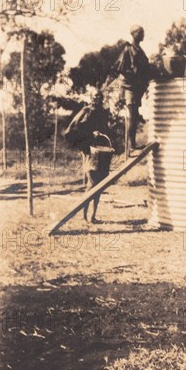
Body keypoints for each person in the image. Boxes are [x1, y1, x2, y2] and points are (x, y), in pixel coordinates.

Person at [64, 89, 113, 223]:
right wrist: (90, 135)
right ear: (91, 97)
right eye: (95, 96)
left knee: (100, 184)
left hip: (102, 152)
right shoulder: (86, 111)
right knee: (92, 184)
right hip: (90, 152)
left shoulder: (103, 112)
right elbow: (74, 129)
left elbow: (106, 131)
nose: (97, 98)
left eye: (100, 96)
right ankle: (84, 215)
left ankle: (92, 216)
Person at [103, 25, 150, 155]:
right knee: (132, 116)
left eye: (143, 32)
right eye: (140, 32)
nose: (143, 35)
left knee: (134, 116)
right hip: (129, 88)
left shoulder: (139, 50)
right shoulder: (128, 49)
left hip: (136, 88)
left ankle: (132, 145)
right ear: (134, 34)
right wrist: (134, 77)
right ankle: (131, 147)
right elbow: (121, 69)